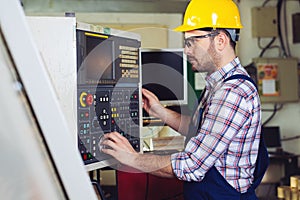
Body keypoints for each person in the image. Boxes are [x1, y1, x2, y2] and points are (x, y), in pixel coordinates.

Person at [101, 0, 269, 199]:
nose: (187, 50)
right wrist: (159, 111)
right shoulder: (218, 85)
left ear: (221, 41)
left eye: (193, 41)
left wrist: (133, 158)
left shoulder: (232, 92)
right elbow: (202, 131)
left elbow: (192, 166)